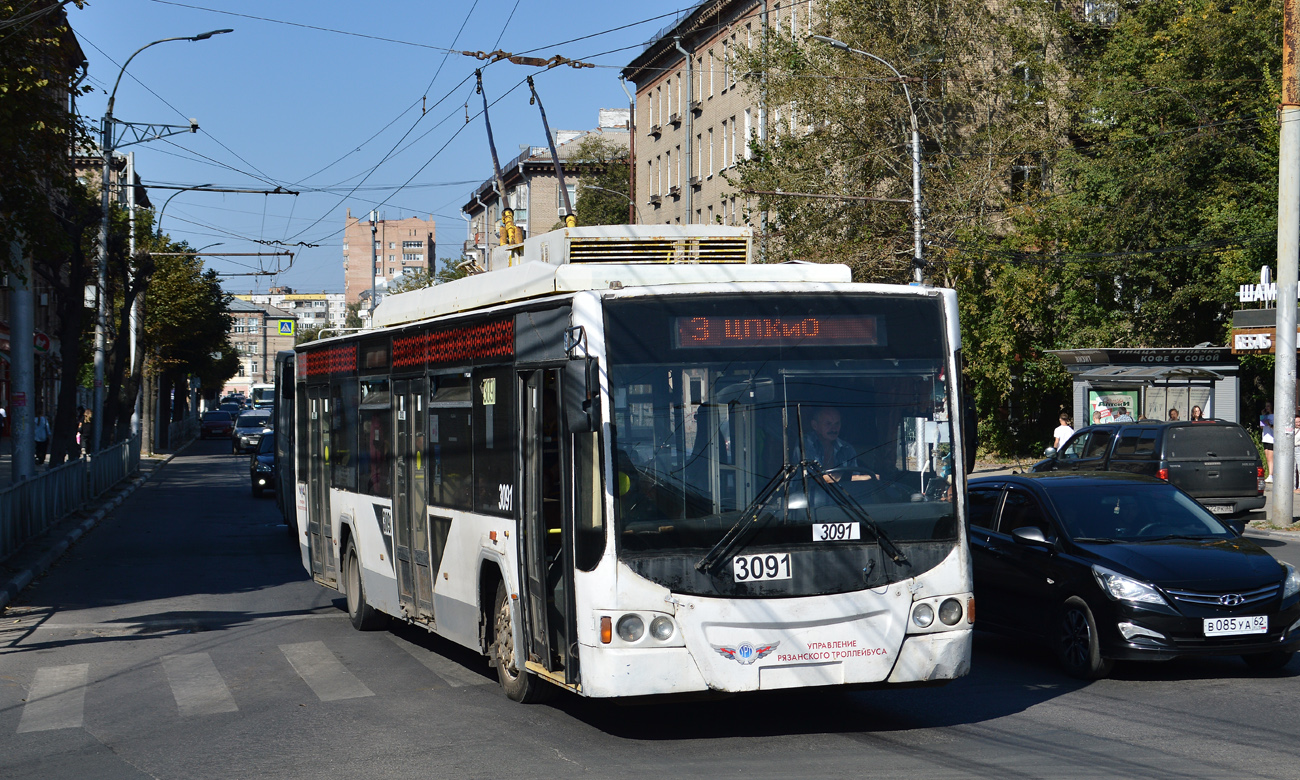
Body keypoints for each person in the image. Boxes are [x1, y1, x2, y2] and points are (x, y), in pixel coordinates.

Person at [1261, 402, 1275, 483]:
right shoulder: (1265, 416)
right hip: (1265, 438)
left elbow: (1274, 427)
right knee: (1267, 457)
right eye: (1266, 406)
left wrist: (1268, 423)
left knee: (1270, 458)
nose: (1267, 408)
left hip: (1271, 439)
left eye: (1268, 406)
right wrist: (1263, 416)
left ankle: (1271, 475)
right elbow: (1261, 427)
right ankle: (1270, 474)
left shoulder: (1274, 416)